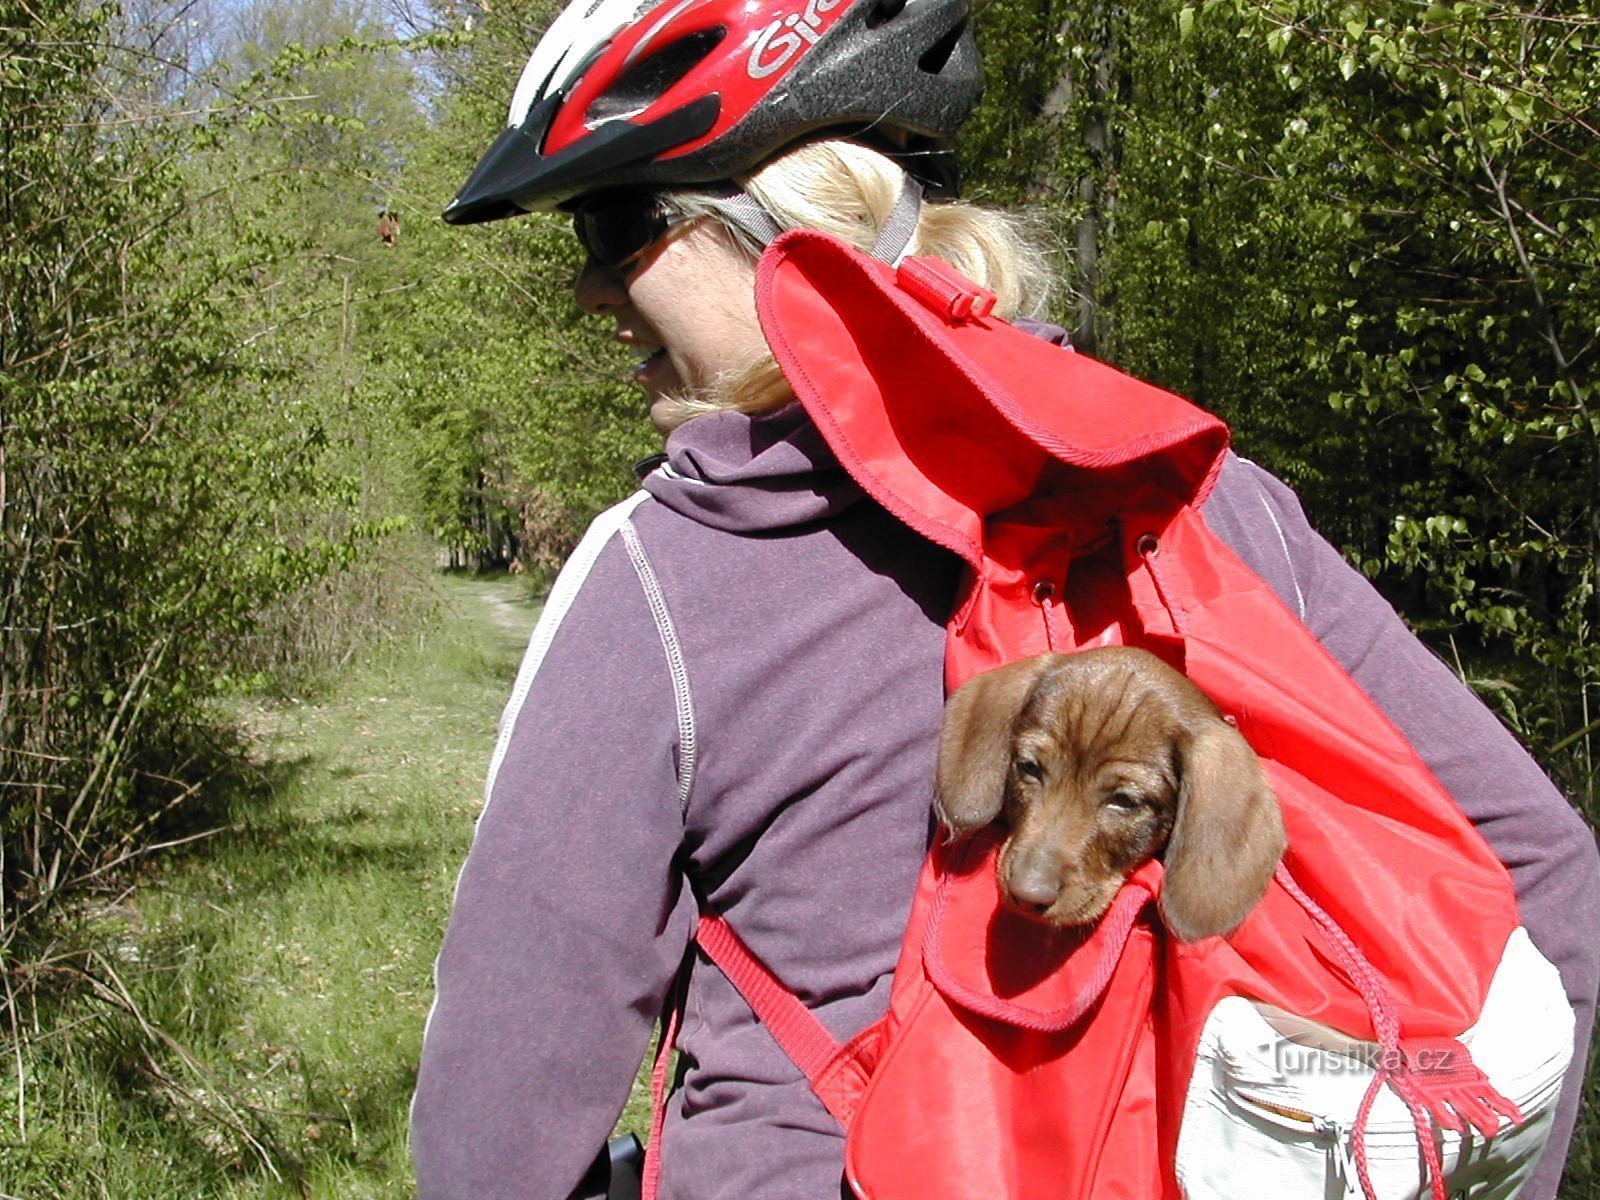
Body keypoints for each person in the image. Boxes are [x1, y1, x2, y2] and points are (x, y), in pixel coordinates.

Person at [409, 1, 1600, 1197]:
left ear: (791, 224)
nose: (588, 294)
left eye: (616, 227)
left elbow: (496, 1134)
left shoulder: (663, 578)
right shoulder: (1200, 496)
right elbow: (1546, 880)